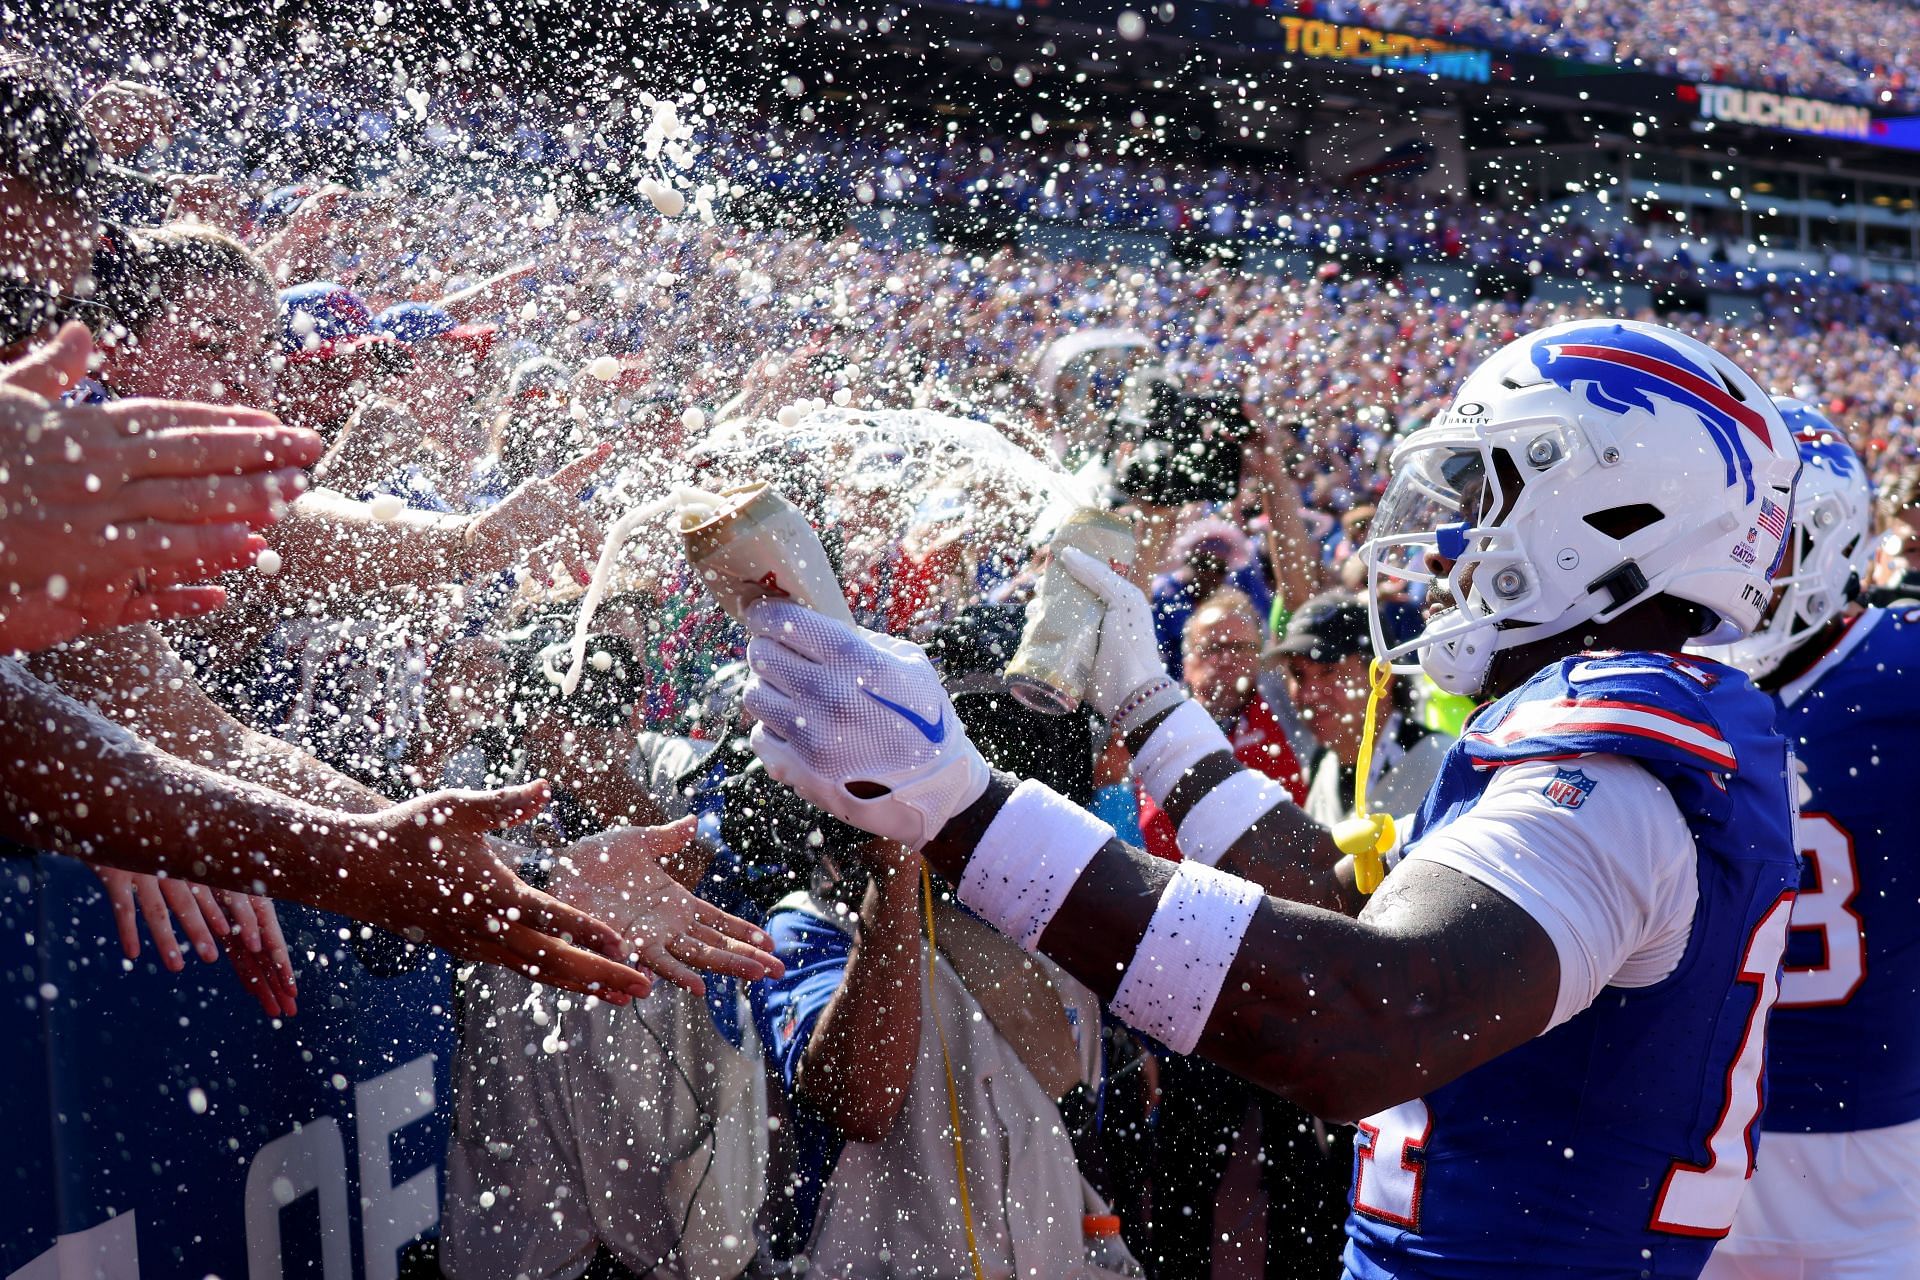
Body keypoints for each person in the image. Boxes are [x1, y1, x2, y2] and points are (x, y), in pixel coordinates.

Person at [738, 318, 1804, 1277]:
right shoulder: (1639, 728)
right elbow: (1344, 906)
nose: (1448, 547)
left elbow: (1359, 1014)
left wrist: (957, 808)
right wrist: (1155, 710)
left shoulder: (1611, 765)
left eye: (1487, 500)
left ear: (1612, 512)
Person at [1693, 407, 1920, 1278]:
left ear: (1828, 538)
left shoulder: (1897, 672)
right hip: (1694, 1144)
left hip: (1876, 1168)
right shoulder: (1664, 686)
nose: (1736, 570)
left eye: (1762, 541)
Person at [1136, 587, 1307, 861]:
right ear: (1187, 663)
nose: (1228, 658)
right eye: (1213, 648)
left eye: (1240, 647)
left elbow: (1300, 594)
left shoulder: (1284, 703)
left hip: (1282, 884)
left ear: (1258, 659)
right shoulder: (1160, 718)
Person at [1268, 589, 1451, 829]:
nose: (1309, 694)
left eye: (1328, 670)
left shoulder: (1442, 765)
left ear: (1381, 675)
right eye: (1299, 675)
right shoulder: (1321, 767)